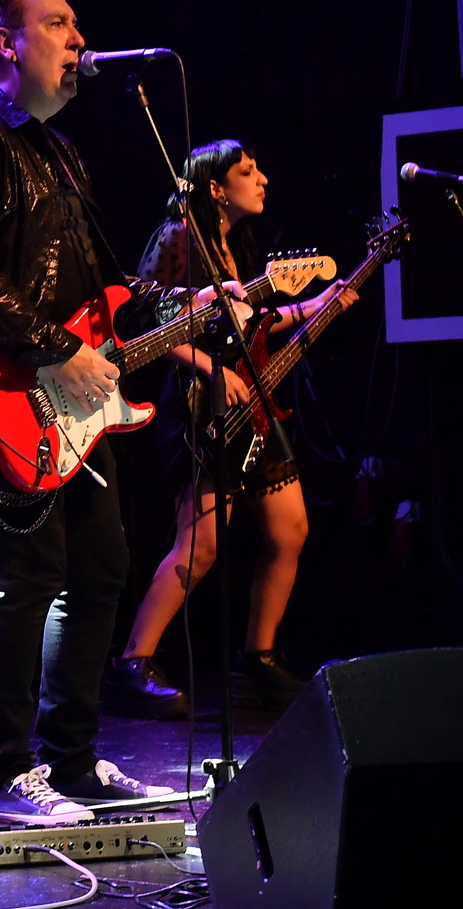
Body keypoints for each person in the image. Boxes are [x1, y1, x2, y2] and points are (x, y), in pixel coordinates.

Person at [0, 0, 179, 826]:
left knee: (99, 567)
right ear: (5, 42)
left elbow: (95, 289)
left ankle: (70, 762)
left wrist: (187, 307)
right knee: (26, 572)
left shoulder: (58, 153)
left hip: (63, 388)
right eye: (56, 22)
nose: (78, 38)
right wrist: (59, 350)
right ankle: (2, 775)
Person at [106, 140, 357, 717]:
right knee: (201, 546)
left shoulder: (236, 245)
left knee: (289, 530)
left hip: (253, 403)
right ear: (216, 188)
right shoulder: (180, 237)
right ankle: (132, 663)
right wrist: (211, 368)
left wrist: (319, 304)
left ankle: (258, 662)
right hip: (201, 405)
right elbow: (143, 327)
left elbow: (253, 323)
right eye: (248, 171)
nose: (263, 178)